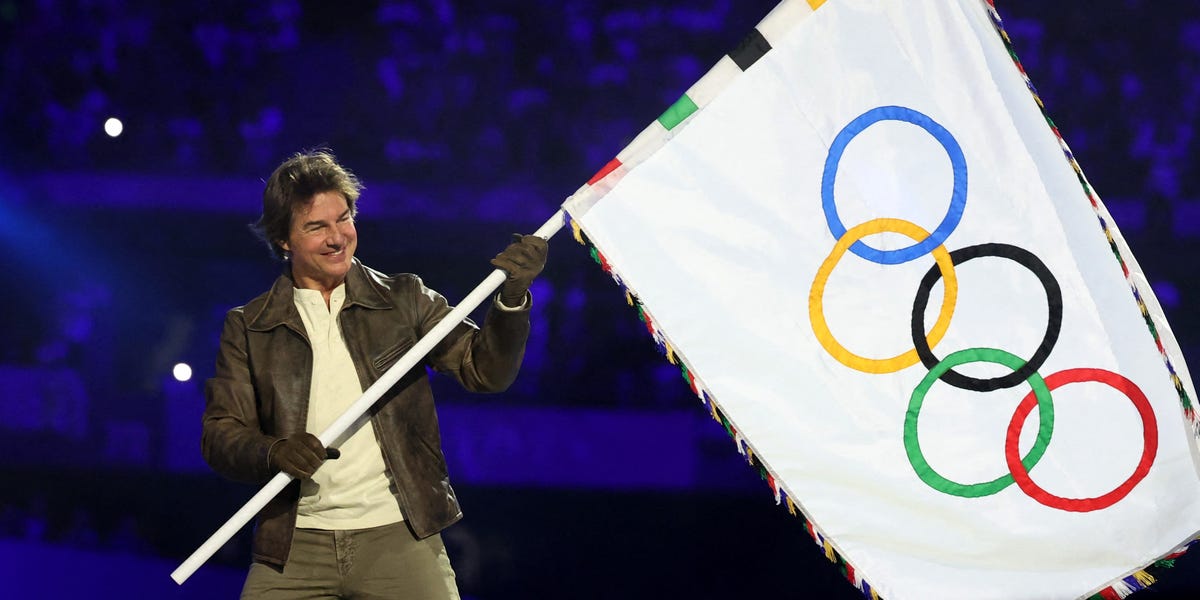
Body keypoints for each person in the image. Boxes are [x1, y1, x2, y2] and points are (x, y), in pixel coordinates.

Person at [202, 149, 548, 599]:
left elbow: (485, 371)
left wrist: (512, 299)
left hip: (400, 534)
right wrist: (274, 452)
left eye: (343, 219)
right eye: (316, 227)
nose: (337, 238)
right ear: (283, 239)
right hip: (294, 543)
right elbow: (220, 435)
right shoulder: (249, 325)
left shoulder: (405, 299)